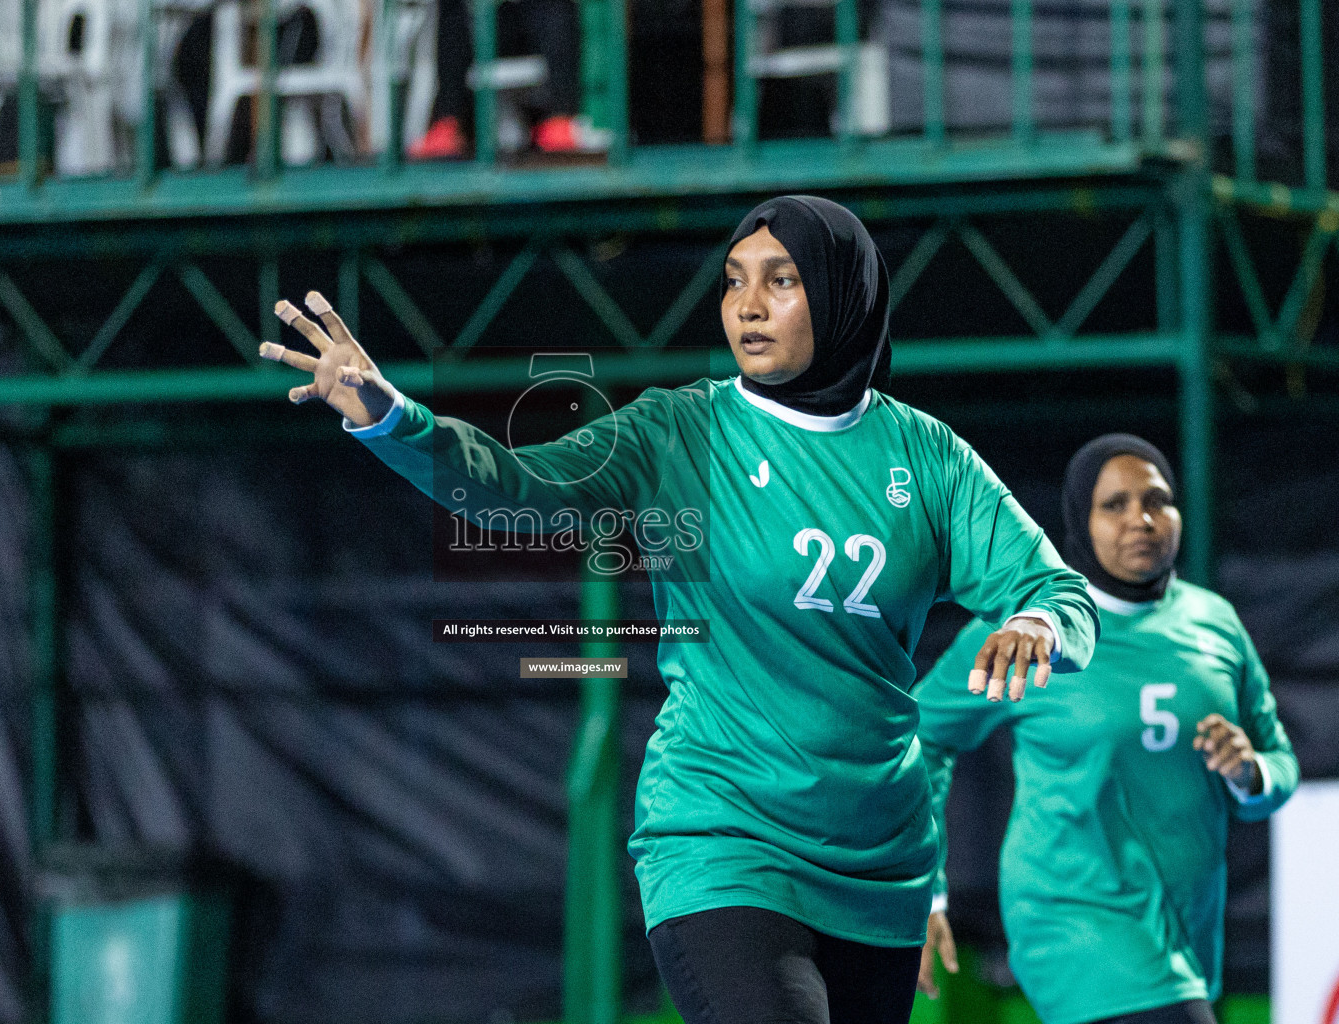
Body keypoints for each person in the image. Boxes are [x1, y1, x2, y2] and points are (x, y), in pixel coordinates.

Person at [259, 195, 1100, 1024]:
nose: (749, 306)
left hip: (881, 864)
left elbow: (1060, 593)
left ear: (844, 295)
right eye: (734, 282)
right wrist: (390, 418)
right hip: (723, 837)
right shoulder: (683, 431)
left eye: (781, 281)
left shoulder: (927, 456)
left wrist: (1037, 625)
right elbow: (520, 487)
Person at [914, 434, 1300, 1024]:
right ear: (1077, 520)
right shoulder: (1033, 632)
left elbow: (1279, 765)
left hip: (1188, 928)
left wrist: (1250, 770)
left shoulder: (1214, 622)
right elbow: (921, 736)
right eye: (1114, 505)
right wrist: (923, 884)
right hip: (1072, 918)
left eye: (1157, 500)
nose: (1141, 520)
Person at [408, 0, 595, 158]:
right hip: (486, 24)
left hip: (536, 24)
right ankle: (448, 122)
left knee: (555, 6)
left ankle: (560, 119)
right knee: (454, 6)